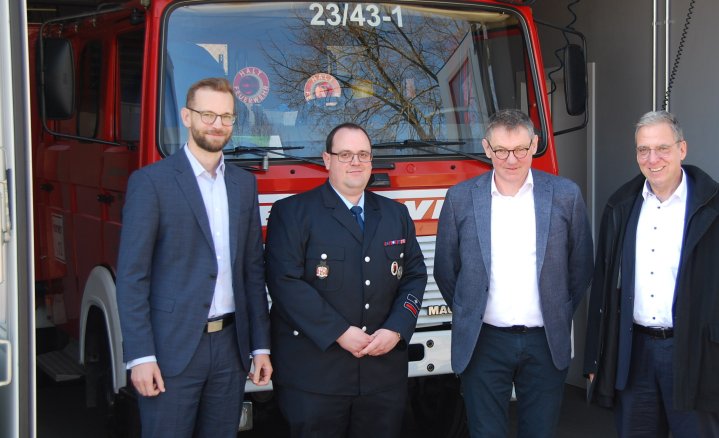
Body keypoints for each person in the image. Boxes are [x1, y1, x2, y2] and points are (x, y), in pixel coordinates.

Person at [583, 110, 719, 437]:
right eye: (643, 150)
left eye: (662, 148)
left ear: (682, 149)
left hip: (699, 356)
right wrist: (596, 361)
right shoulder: (621, 205)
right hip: (635, 355)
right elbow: (603, 288)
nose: (652, 159)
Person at [116, 77, 272, 437]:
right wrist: (141, 356)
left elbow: (252, 271)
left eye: (226, 117)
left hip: (231, 348)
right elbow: (132, 278)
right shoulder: (151, 183)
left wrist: (260, 346)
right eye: (207, 115)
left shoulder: (243, 184)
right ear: (186, 117)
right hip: (171, 350)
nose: (217, 124)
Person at [434, 109, 594, 438]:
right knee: (485, 432)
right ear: (487, 148)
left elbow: (580, 268)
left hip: (545, 342)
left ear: (534, 144)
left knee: (540, 431)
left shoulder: (565, 195)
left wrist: (556, 308)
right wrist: (471, 309)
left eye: (521, 149)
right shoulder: (461, 198)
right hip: (483, 341)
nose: (512, 159)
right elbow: (445, 270)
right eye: (502, 150)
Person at [264, 123, 427, 438]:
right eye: (346, 154)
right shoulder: (293, 213)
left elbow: (414, 276)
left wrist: (397, 328)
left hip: (382, 376)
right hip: (315, 378)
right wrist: (338, 331)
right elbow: (284, 282)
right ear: (327, 160)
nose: (356, 162)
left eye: (363, 155)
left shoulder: (396, 214)